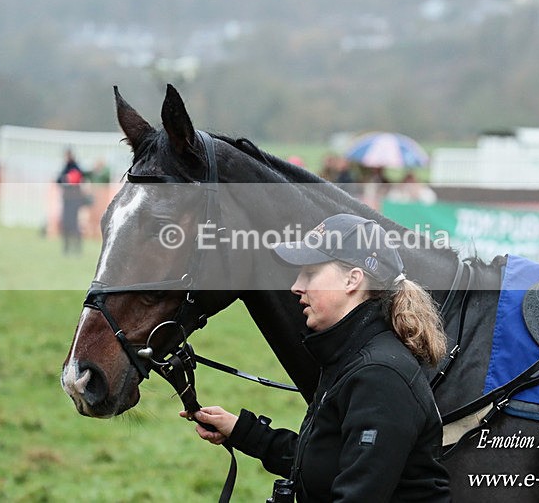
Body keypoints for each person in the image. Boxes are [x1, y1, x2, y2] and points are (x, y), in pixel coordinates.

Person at [181, 214, 452, 501]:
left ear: (352, 280)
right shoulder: (350, 357)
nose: (296, 286)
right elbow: (321, 462)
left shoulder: (380, 375)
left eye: (310, 274)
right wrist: (240, 430)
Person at [56, 148, 86, 254]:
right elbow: (58, 180)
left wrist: (68, 179)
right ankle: (66, 248)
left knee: (74, 224)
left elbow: (79, 177)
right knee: (66, 224)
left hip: (74, 200)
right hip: (67, 200)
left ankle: (77, 248)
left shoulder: (75, 167)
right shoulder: (66, 167)